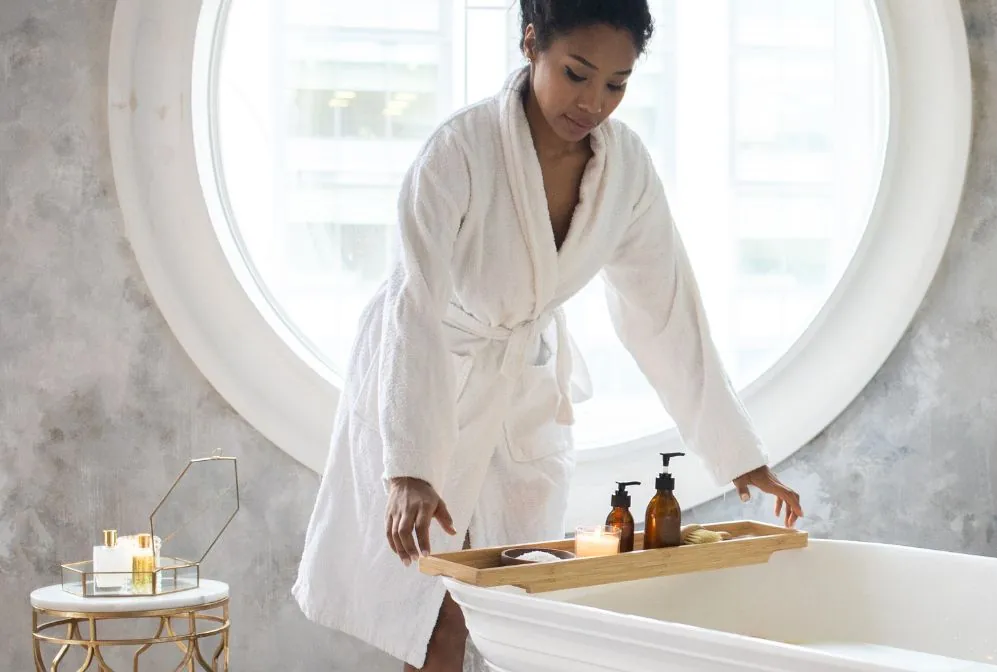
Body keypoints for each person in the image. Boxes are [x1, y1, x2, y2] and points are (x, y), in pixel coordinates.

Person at [290, 1, 804, 669]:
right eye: (576, 73)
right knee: (433, 612)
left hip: (522, 388)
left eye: (616, 84)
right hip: (429, 374)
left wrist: (739, 454)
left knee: (509, 603)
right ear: (531, 43)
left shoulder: (626, 170)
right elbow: (414, 305)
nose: (593, 102)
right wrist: (410, 465)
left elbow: (665, 310)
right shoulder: (460, 149)